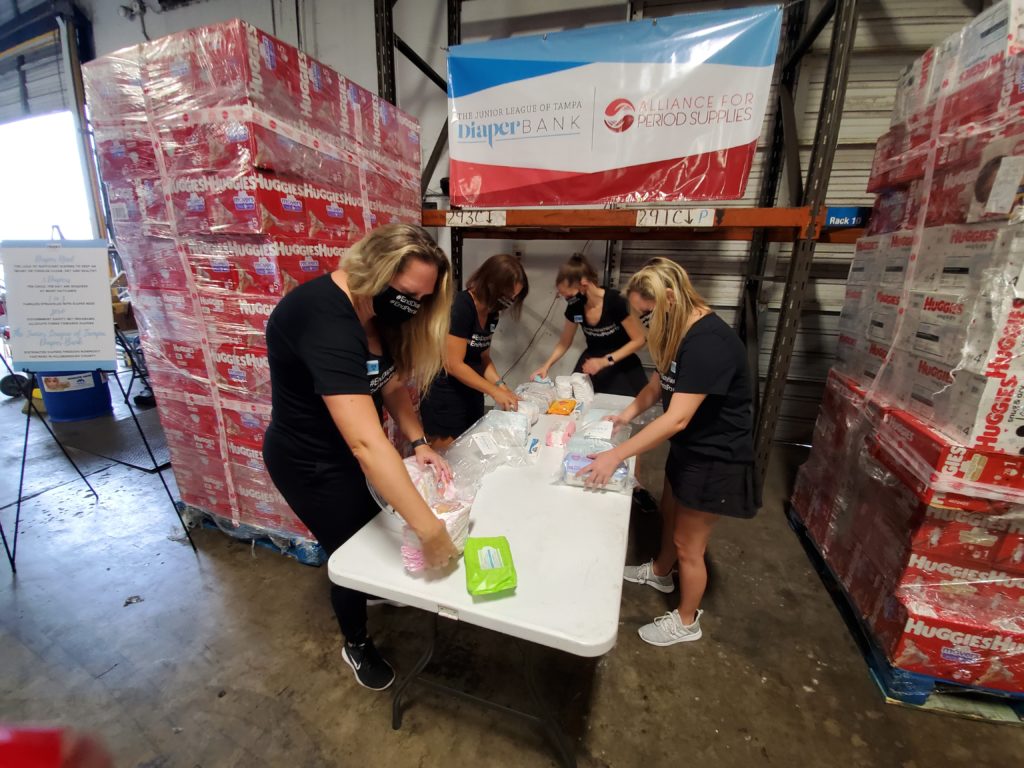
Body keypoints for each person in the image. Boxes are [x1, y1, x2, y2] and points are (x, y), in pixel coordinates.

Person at [262, 223, 459, 691]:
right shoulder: (323, 319)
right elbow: (367, 444)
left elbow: (389, 385)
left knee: (374, 536)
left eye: (422, 299)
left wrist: (418, 442)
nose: (413, 307)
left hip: (348, 455)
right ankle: (356, 643)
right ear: (374, 269)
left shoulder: (378, 315)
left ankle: (371, 592)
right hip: (308, 462)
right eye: (408, 294)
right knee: (353, 551)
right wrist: (430, 532)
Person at [576, 257, 759, 646]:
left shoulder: (709, 343)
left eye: (649, 313)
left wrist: (617, 454)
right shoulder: (681, 330)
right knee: (670, 513)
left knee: (688, 546)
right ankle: (660, 571)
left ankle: (687, 620)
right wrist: (623, 416)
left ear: (671, 298)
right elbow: (659, 384)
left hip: (716, 456)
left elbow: (676, 418)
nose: (646, 323)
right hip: (690, 446)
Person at [420, 253, 529, 447]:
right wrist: (494, 392)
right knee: (448, 459)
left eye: (513, 298)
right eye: (507, 296)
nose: (509, 302)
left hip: (471, 393)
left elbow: (483, 357)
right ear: (491, 285)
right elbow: (453, 364)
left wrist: (502, 387)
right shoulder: (461, 307)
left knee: (470, 452)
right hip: (446, 395)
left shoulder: (492, 313)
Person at [531, 253, 647, 397]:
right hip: (592, 361)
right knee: (577, 402)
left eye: (568, 296)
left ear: (584, 285)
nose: (568, 300)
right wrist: (546, 366)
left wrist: (605, 361)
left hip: (621, 361)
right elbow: (564, 342)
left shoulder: (616, 301)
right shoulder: (576, 306)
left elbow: (639, 340)